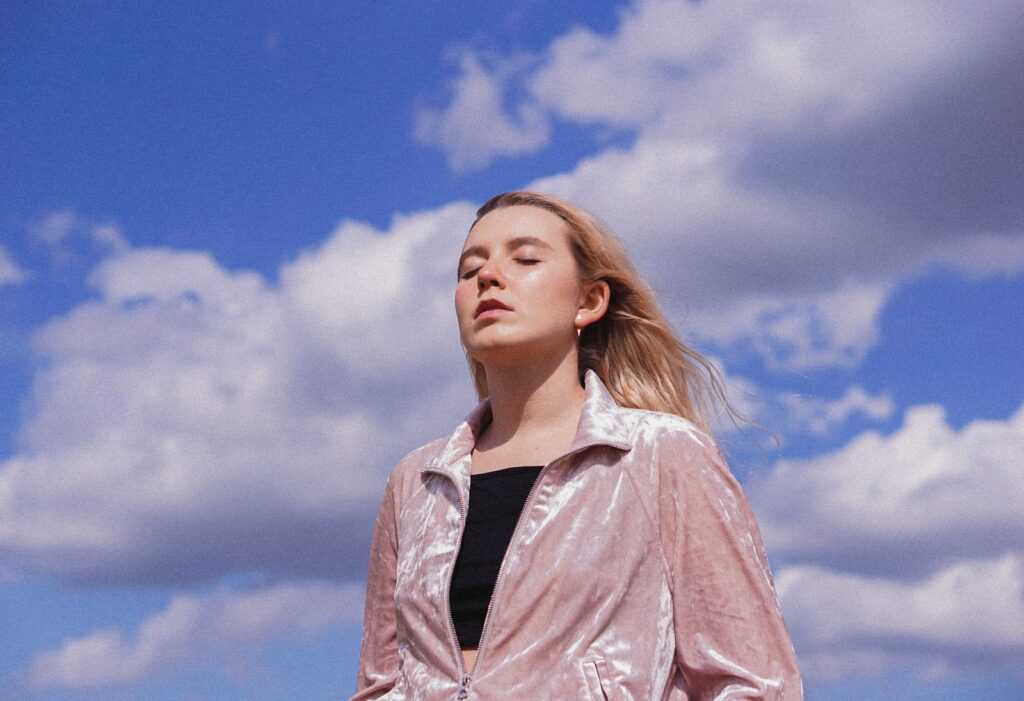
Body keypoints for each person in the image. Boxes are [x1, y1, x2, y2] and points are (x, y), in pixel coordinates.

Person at [351, 191, 802, 700]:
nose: (488, 276)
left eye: (525, 258)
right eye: (468, 269)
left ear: (589, 301)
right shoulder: (415, 482)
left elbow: (753, 682)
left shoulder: (661, 453)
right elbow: (380, 683)